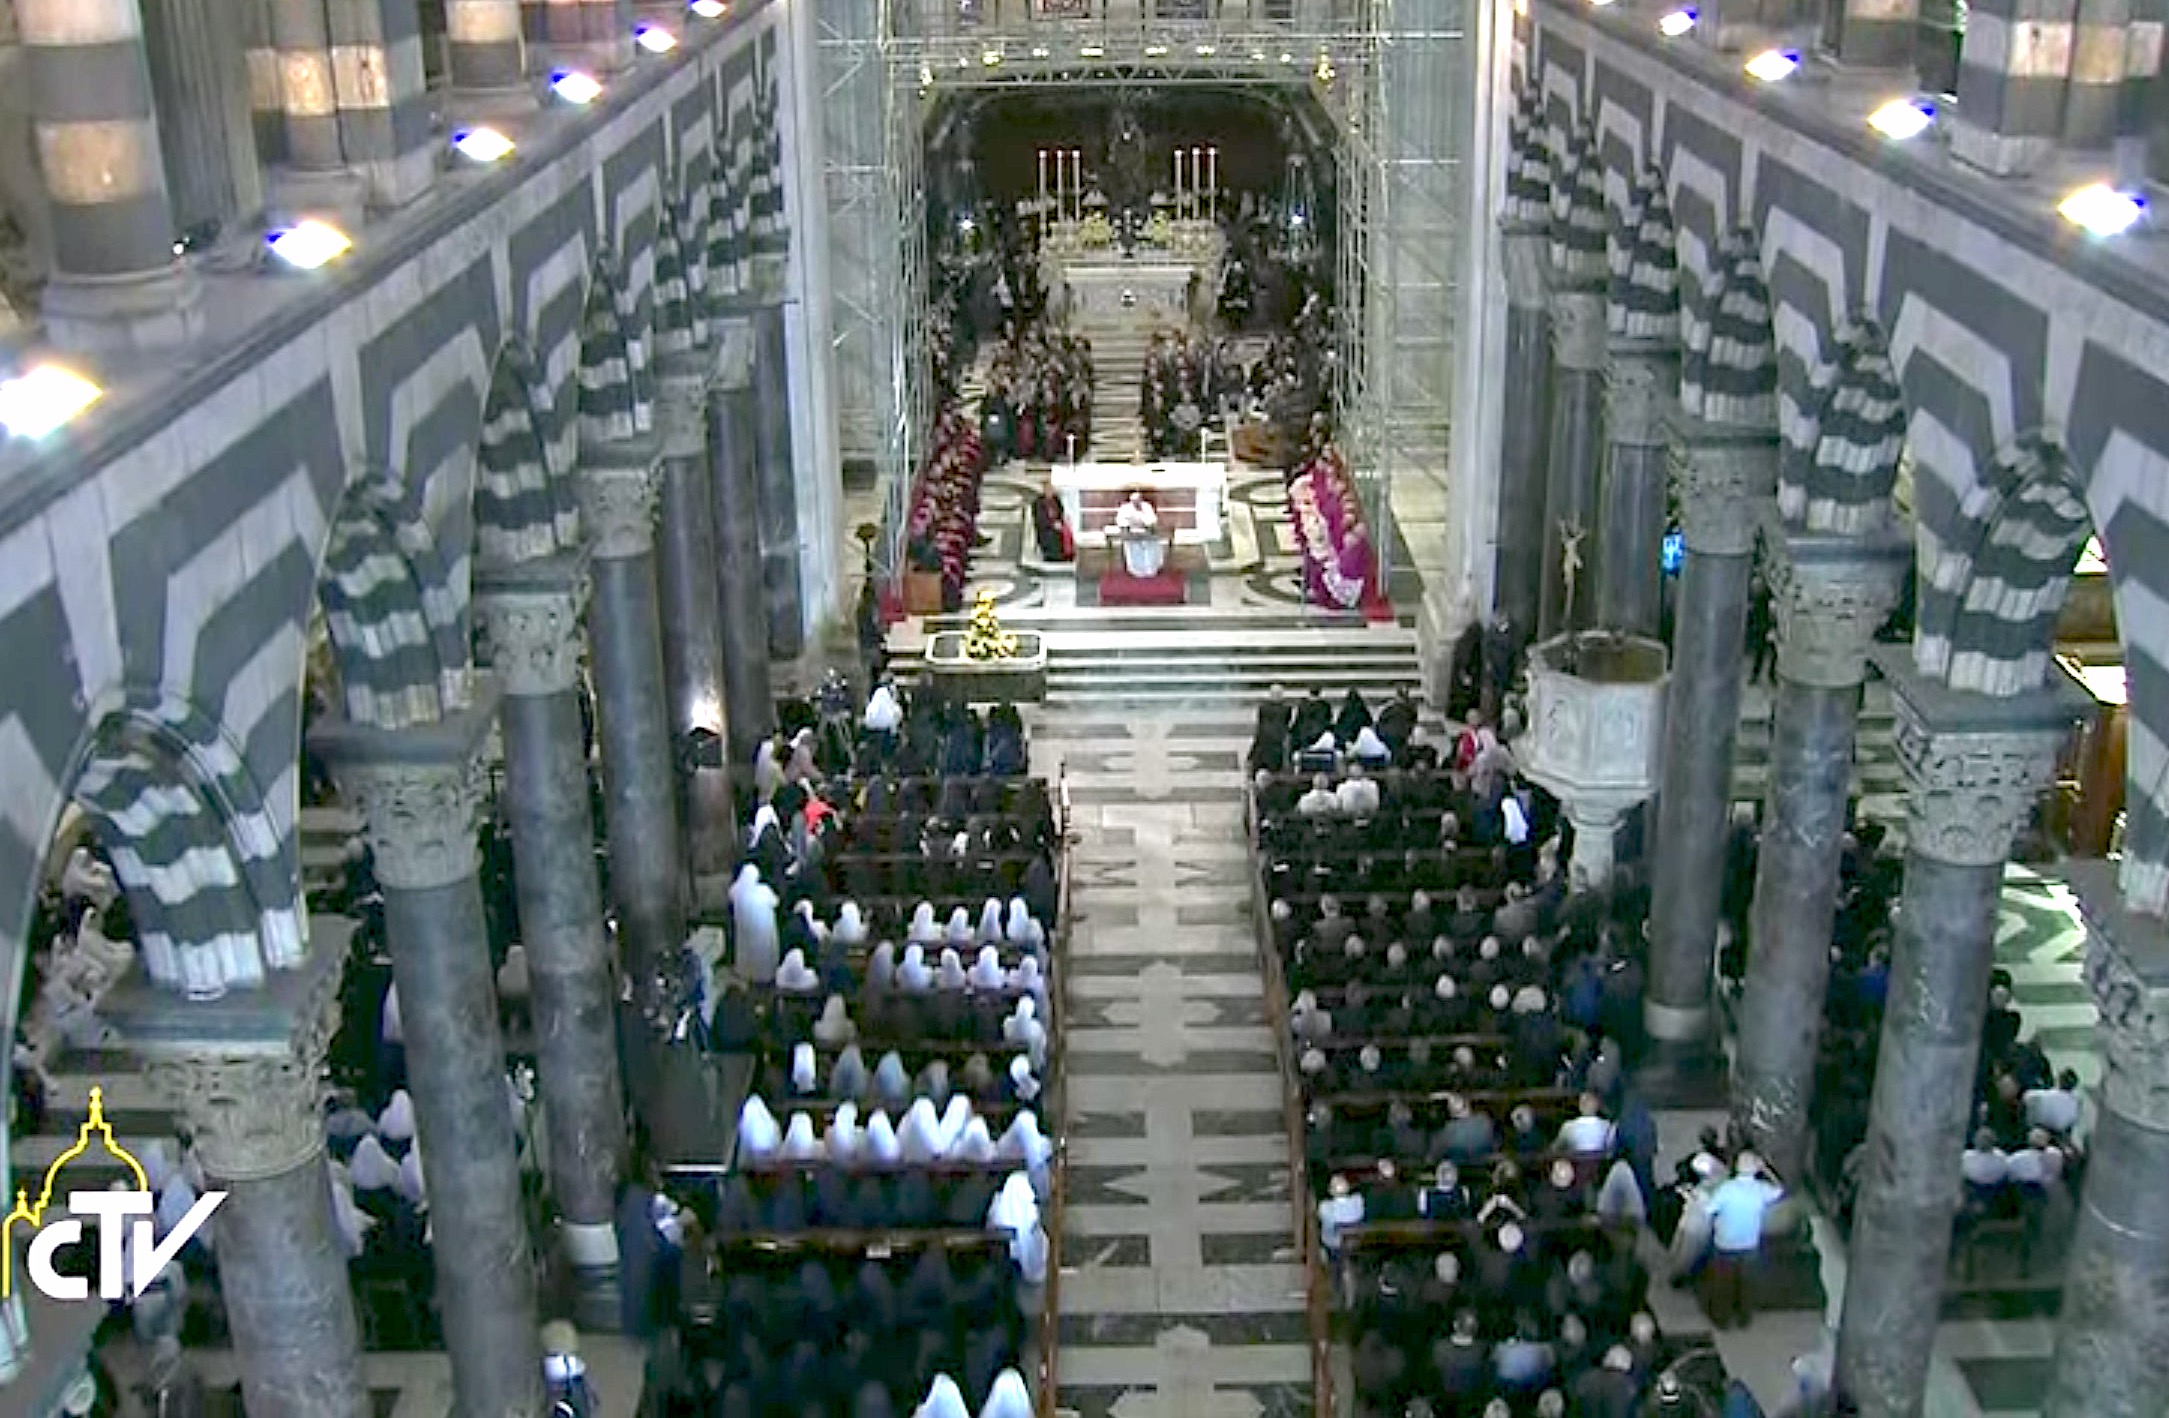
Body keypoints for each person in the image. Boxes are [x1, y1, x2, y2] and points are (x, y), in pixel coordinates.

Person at [1705, 1151, 1784, 1328]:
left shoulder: (1726, 1189)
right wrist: (1766, 1169)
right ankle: (1744, 1319)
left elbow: (1708, 1209)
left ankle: (1722, 1319)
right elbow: (1780, 1189)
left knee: (1722, 1285)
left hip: (1725, 1244)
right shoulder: (1761, 1189)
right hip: (1749, 1245)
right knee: (1747, 1285)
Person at [1113, 489, 1165, 578]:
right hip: (1131, 532)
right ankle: (1135, 570)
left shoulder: (1146, 506)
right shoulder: (1125, 508)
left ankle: (1151, 569)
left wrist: (1144, 521)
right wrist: (1129, 524)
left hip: (1146, 531)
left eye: (1138, 500)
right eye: (1134, 501)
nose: (1136, 503)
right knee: (1133, 548)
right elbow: (1120, 520)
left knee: (1152, 545)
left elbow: (1152, 519)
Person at [1031, 478, 1073, 562]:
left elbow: (1061, 512)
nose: (1050, 491)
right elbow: (1040, 518)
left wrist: (1060, 521)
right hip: (1046, 528)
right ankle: (1053, 555)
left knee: (1066, 531)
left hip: (1057, 524)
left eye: (1051, 489)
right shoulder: (1038, 502)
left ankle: (1068, 553)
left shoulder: (1056, 500)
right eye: (1048, 489)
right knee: (1052, 536)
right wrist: (1052, 524)